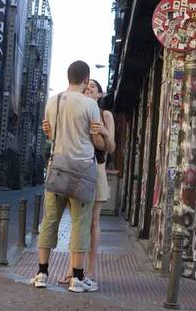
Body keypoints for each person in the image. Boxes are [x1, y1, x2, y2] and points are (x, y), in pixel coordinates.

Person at [31, 60, 105, 293]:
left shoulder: (53, 102)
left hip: (58, 167)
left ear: (68, 77)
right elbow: (96, 141)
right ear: (86, 78)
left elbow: (51, 135)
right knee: (80, 224)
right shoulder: (90, 105)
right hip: (83, 169)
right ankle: (77, 279)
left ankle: (42, 273)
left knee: (50, 220)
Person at [43, 79, 115, 291]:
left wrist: (103, 130)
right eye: (88, 85)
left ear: (100, 95)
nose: (90, 87)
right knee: (77, 221)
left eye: (94, 86)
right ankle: (74, 271)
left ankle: (89, 271)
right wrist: (50, 130)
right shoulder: (78, 108)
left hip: (96, 170)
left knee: (91, 221)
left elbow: (110, 147)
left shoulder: (104, 114)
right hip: (76, 169)